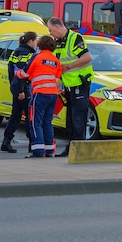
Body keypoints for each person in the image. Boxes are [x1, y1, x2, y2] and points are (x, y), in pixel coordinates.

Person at [48, 17, 93, 156]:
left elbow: (87, 57)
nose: (50, 33)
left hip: (79, 84)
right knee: (70, 121)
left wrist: (68, 66)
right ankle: (71, 148)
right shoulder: (58, 42)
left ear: (57, 27)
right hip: (68, 86)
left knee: (78, 119)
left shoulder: (74, 38)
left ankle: (79, 151)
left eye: (51, 30)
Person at [16, 35, 61, 157]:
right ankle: (50, 149)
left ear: (40, 45)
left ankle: (38, 150)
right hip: (53, 95)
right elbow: (56, 78)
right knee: (47, 122)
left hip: (40, 94)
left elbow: (25, 73)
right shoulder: (56, 60)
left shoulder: (37, 57)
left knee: (35, 121)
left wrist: (16, 72)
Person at [1, 31, 38, 154]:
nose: (36, 43)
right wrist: (21, 90)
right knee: (29, 116)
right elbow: (20, 73)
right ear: (31, 41)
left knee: (15, 115)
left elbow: (11, 71)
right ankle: (32, 143)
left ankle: (6, 141)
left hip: (17, 87)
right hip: (22, 88)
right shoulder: (25, 53)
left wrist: (15, 88)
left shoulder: (16, 51)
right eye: (35, 41)